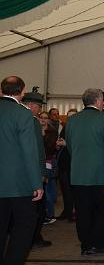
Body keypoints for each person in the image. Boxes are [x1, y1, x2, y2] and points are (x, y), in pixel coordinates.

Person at [0, 76, 43, 265]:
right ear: (22, 92)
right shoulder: (23, 114)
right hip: (18, 184)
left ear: (1, 90)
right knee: (24, 228)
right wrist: (37, 183)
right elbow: (29, 151)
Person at [64, 88, 104, 255]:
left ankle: (85, 245)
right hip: (100, 174)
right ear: (98, 101)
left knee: (83, 211)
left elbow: (69, 145)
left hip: (78, 174)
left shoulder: (72, 120)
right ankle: (98, 243)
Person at [22, 89, 52, 248]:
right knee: (37, 208)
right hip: (33, 173)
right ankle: (33, 238)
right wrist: (42, 172)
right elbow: (37, 150)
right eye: (39, 106)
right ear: (31, 105)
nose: (39, 110)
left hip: (20, 173)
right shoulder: (32, 121)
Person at [55, 109, 77, 220]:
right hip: (63, 164)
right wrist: (58, 144)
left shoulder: (79, 129)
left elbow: (80, 145)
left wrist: (66, 144)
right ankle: (67, 211)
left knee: (74, 190)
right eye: (69, 117)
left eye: (73, 116)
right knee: (65, 189)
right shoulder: (65, 128)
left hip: (74, 164)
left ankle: (74, 212)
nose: (71, 119)